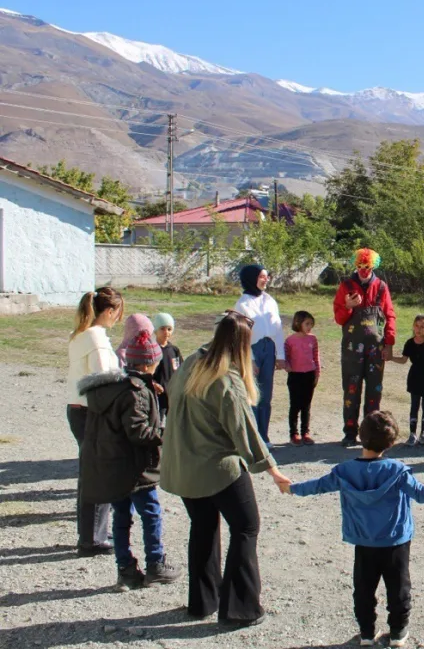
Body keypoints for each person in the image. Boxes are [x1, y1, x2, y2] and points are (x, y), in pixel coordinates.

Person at [282, 411, 424, 648]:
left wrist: (292, 488)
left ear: (360, 437)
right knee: (399, 587)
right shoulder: (398, 471)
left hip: (363, 539)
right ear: (391, 442)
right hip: (395, 540)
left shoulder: (344, 471)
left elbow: (317, 486)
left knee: (364, 588)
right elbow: (422, 494)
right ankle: (398, 633)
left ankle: (367, 632)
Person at [161, 311, 291, 627]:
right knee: (246, 527)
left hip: (184, 467)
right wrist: (272, 470)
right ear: (242, 345)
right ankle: (239, 608)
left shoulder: (192, 362)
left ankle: (203, 602)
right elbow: (245, 430)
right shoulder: (225, 380)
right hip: (217, 469)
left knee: (203, 527)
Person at [79, 330, 181, 590]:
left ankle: (125, 570)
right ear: (149, 363)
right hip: (137, 467)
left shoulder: (113, 388)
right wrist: (168, 434)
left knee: (121, 516)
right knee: (151, 513)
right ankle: (155, 563)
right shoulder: (134, 393)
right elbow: (139, 432)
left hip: (114, 464)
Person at [67, 287, 125, 557]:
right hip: (93, 412)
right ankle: (92, 538)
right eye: (118, 312)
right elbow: (105, 383)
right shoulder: (97, 340)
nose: (118, 318)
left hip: (78, 409)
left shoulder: (80, 334)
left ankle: (92, 533)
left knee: (90, 471)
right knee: (98, 473)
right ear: (110, 311)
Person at [334, 249, 398, 448]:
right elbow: (338, 318)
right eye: (359, 267)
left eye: (366, 267)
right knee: (351, 391)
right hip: (352, 349)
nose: (362, 271)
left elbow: (390, 315)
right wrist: (347, 306)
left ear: (373, 266)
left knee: (374, 392)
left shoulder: (381, 287)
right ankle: (350, 432)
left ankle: (370, 434)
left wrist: (389, 342)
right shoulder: (346, 286)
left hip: (375, 350)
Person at [233, 264, 285, 447]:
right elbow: (241, 335)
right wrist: (249, 360)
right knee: (252, 393)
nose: (266, 279)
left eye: (267, 276)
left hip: (269, 349)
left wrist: (280, 355)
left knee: (266, 395)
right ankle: (253, 437)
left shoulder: (270, 300)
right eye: (262, 276)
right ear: (252, 278)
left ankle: (264, 435)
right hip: (253, 350)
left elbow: (277, 329)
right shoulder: (242, 303)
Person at [391, 315, 424, 446]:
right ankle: (412, 434)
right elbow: (403, 360)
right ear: (413, 327)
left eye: (422, 327)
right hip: (415, 377)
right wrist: (390, 358)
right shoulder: (409, 343)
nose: (419, 329)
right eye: (417, 326)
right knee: (414, 405)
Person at [284, 310, 321, 446]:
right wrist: (287, 365)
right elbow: (285, 356)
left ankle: (305, 432)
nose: (309, 327)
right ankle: (294, 434)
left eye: (311, 324)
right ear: (298, 323)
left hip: (309, 375)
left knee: (306, 406)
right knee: (295, 405)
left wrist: (317, 374)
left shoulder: (313, 339)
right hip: (295, 375)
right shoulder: (290, 340)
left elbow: (316, 357)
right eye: (307, 324)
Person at [151, 313, 181, 418]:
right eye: (162, 329)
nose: (166, 332)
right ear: (155, 330)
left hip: (172, 394)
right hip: (158, 394)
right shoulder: (152, 349)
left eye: (169, 329)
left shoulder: (174, 350)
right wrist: (153, 383)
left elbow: (180, 370)